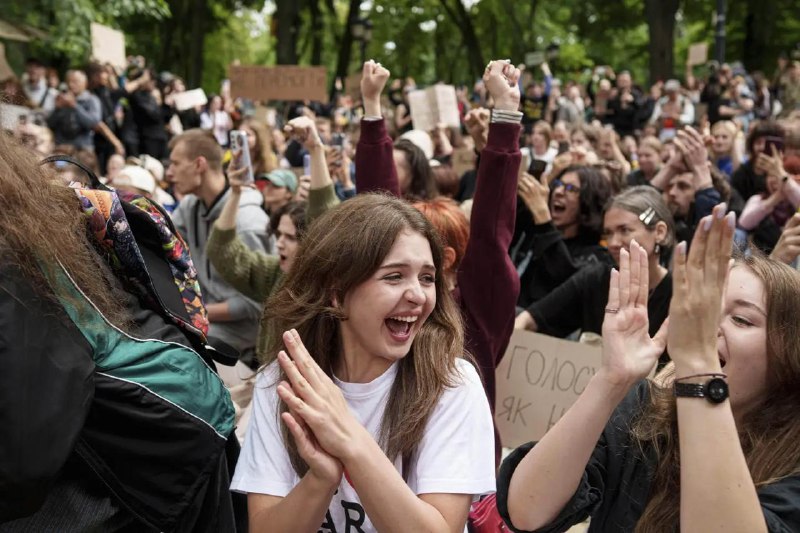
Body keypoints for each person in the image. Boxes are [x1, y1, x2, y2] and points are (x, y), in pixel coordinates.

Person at [499, 205, 800, 533]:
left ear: (788, 355)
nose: (705, 323)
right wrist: (613, 379)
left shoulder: (793, 464)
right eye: (705, 308)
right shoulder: (646, 410)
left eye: (741, 319)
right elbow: (527, 511)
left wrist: (700, 368)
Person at [0, 130, 241, 531]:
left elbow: (25, 454)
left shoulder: (11, 264)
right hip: (166, 421)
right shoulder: (25, 227)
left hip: (162, 445)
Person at [231, 195, 496, 532]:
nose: (417, 294)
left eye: (428, 278)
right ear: (337, 292)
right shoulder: (284, 381)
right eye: (395, 276)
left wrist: (350, 441)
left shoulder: (452, 383)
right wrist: (321, 479)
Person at [355, 59, 522, 461]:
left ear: (446, 261)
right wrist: (372, 109)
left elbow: (489, 228)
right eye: (393, 269)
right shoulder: (380, 303)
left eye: (420, 262)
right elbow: (377, 215)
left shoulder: (477, 310)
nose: (408, 295)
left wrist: (505, 116)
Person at [515, 186, 674, 344]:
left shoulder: (679, 294)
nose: (613, 243)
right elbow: (530, 319)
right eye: (608, 233)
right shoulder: (595, 279)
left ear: (659, 232)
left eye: (624, 230)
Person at [167, 129, 270, 364]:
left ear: (199, 164)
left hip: (245, 334)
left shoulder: (247, 222)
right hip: (205, 318)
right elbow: (168, 250)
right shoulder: (189, 207)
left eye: (175, 163)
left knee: (179, 348)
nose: (169, 172)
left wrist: (195, 312)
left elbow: (257, 306)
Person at [513, 166, 613, 309]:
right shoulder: (537, 232)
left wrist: (543, 218)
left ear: (588, 201)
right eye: (558, 185)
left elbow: (564, 277)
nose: (559, 192)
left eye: (571, 189)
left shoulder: (597, 255)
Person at [46, 70, 102, 151]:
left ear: (85, 83)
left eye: (75, 81)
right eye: (68, 81)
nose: (71, 85)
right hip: (61, 148)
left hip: (82, 149)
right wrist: (57, 109)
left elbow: (93, 123)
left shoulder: (92, 100)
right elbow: (50, 124)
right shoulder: (61, 98)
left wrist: (75, 106)